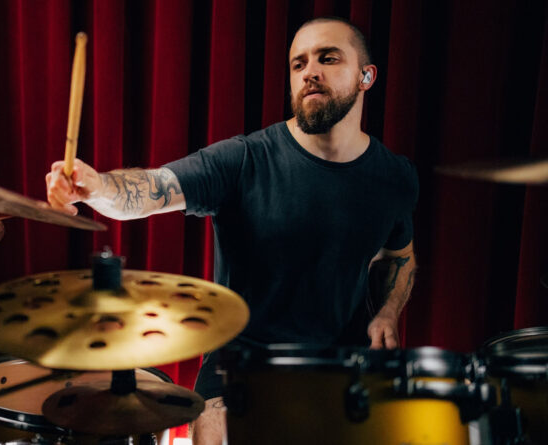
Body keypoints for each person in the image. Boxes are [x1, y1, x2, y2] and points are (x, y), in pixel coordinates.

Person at [45, 16, 417, 445]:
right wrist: (97, 187)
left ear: (366, 76)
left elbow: (400, 258)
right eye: (298, 64)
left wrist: (388, 312)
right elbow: (153, 188)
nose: (309, 72)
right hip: (239, 363)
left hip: (338, 366)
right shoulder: (245, 160)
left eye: (327, 58)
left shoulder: (394, 177)